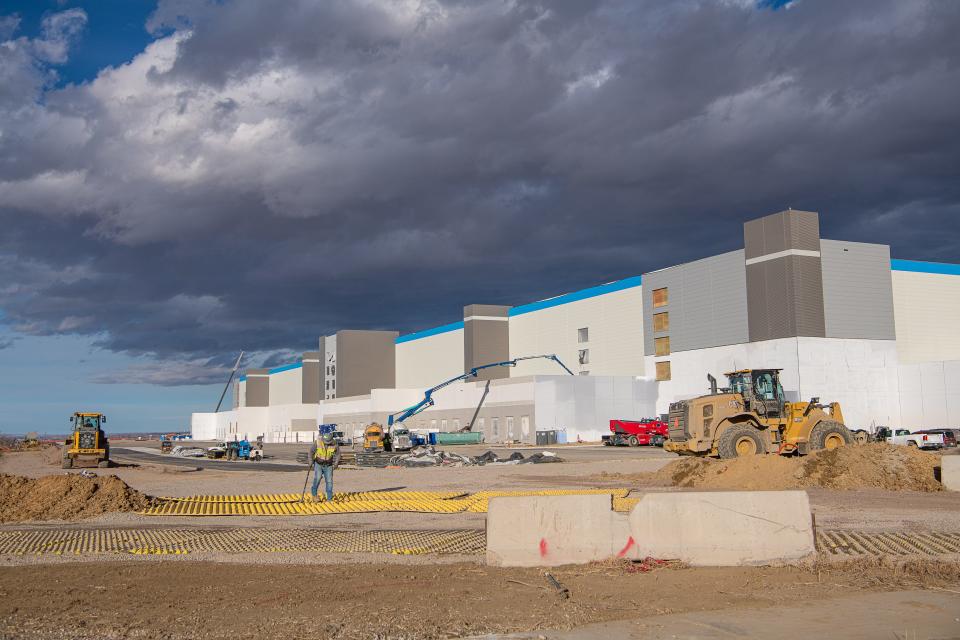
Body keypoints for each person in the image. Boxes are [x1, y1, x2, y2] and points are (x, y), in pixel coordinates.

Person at [309, 431, 341, 501]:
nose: (327, 444)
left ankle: (329, 498)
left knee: (329, 481)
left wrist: (336, 463)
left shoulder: (335, 444)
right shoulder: (317, 442)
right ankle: (314, 495)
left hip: (328, 465)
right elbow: (311, 452)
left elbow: (338, 454)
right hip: (318, 464)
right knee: (317, 478)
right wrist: (310, 461)